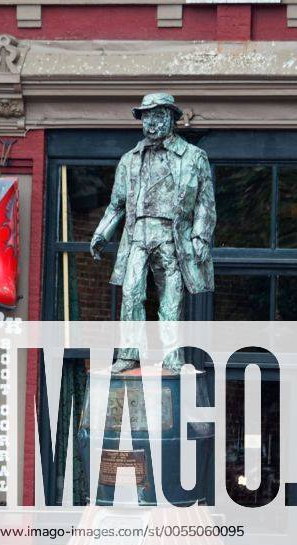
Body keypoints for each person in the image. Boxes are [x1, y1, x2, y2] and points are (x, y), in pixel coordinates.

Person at [90, 92, 216, 373]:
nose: (151, 123)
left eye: (157, 116)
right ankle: (128, 354)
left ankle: (172, 356)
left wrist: (200, 237)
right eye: (146, 117)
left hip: (172, 238)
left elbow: (205, 204)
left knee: (171, 299)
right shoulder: (129, 160)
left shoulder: (194, 157)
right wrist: (101, 234)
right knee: (131, 293)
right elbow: (117, 204)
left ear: (171, 118)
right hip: (138, 236)